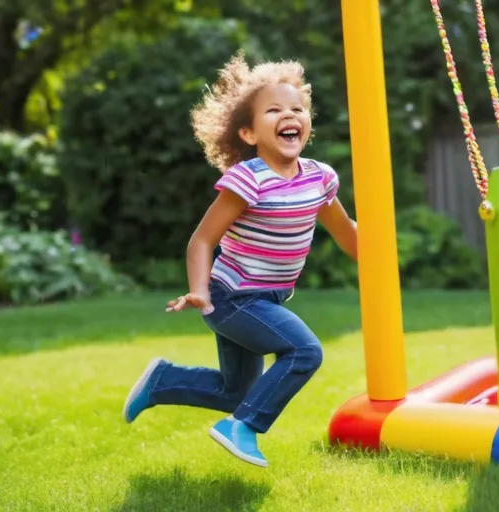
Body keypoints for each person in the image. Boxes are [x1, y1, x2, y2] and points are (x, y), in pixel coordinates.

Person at [121, 52, 358, 468]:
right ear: (248, 132)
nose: (290, 115)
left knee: (236, 391)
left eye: (298, 108)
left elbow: (346, 235)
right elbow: (201, 241)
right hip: (231, 298)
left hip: (268, 298)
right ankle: (242, 427)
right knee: (305, 352)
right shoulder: (247, 180)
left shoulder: (318, 178)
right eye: (274, 110)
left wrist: (379, 245)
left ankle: (163, 381)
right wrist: (198, 290)